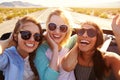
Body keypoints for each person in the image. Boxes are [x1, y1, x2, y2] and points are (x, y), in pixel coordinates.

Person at [34, 8, 76, 80]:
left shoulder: (69, 43)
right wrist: (55, 49)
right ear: (47, 27)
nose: (57, 32)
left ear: (68, 30)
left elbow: (79, 37)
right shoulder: (41, 50)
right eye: (52, 26)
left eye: (63, 28)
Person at [0, 16, 43, 80]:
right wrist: (8, 42)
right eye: (26, 34)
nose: (32, 39)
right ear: (15, 36)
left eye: (37, 36)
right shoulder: (8, 56)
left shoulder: (39, 55)